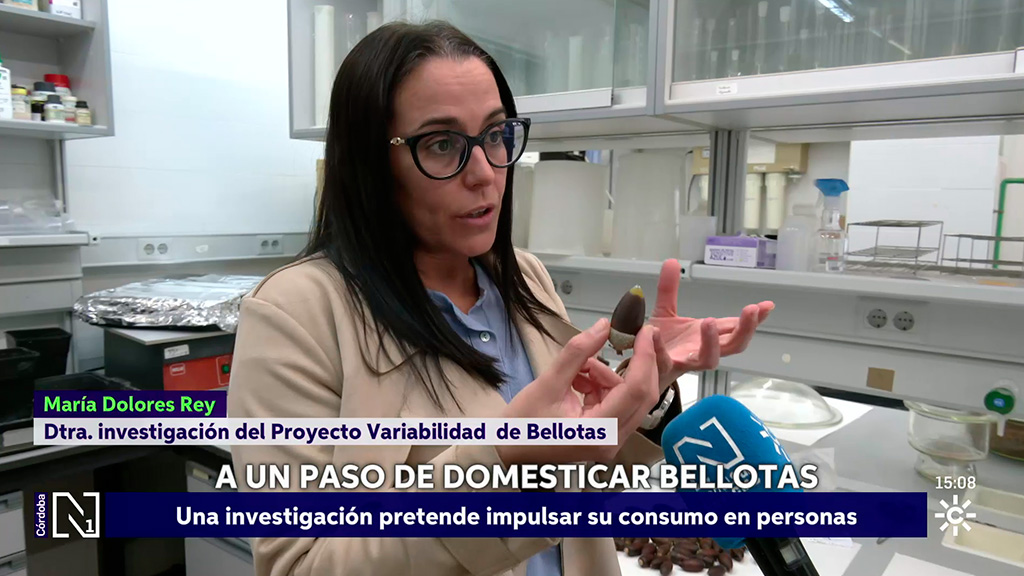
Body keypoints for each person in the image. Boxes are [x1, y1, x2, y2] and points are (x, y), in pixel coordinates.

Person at [227, 20, 773, 576]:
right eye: (442, 144)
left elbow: (575, 485)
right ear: (370, 163)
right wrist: (502, 456)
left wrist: (642, 396)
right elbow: (300, 565)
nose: (485, 174)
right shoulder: (297, 314)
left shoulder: (524, 278)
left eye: (495, 134)